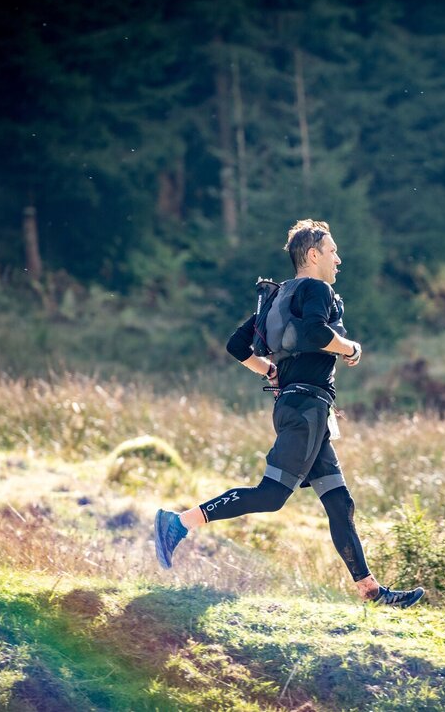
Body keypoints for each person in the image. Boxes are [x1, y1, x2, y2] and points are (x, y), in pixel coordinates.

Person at [154, 219, 425, 609]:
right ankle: (178, 523)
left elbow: (236, 345)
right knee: (272, 495)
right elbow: (316, 334)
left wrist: (269, 369)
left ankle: (370, 591)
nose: (338, 259)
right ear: (313, 255)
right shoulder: (317, 289)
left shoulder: (278, 296)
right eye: (332, 252)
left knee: (338, 501)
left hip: (295, 407)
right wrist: (350, 349)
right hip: (307, 409)